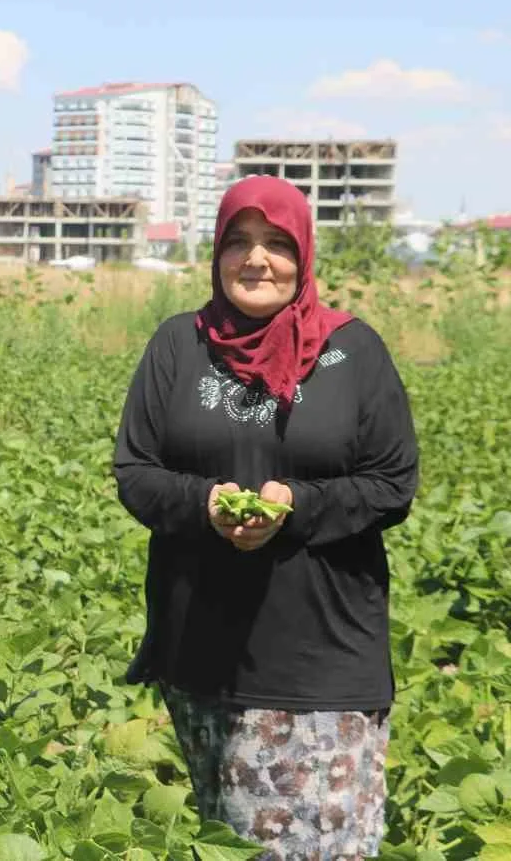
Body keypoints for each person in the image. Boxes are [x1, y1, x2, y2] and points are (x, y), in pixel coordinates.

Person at [112, 175, 419, 860]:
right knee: (230, 840)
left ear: (303, 255)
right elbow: (136, 471)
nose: (258, 260)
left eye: (277, 243)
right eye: (239, 242)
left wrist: (297, 505)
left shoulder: (353, 352)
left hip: (319, 655)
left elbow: (392, 482)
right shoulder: (178, 347)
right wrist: (205, 504)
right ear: (217, 252)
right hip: (202, 655)